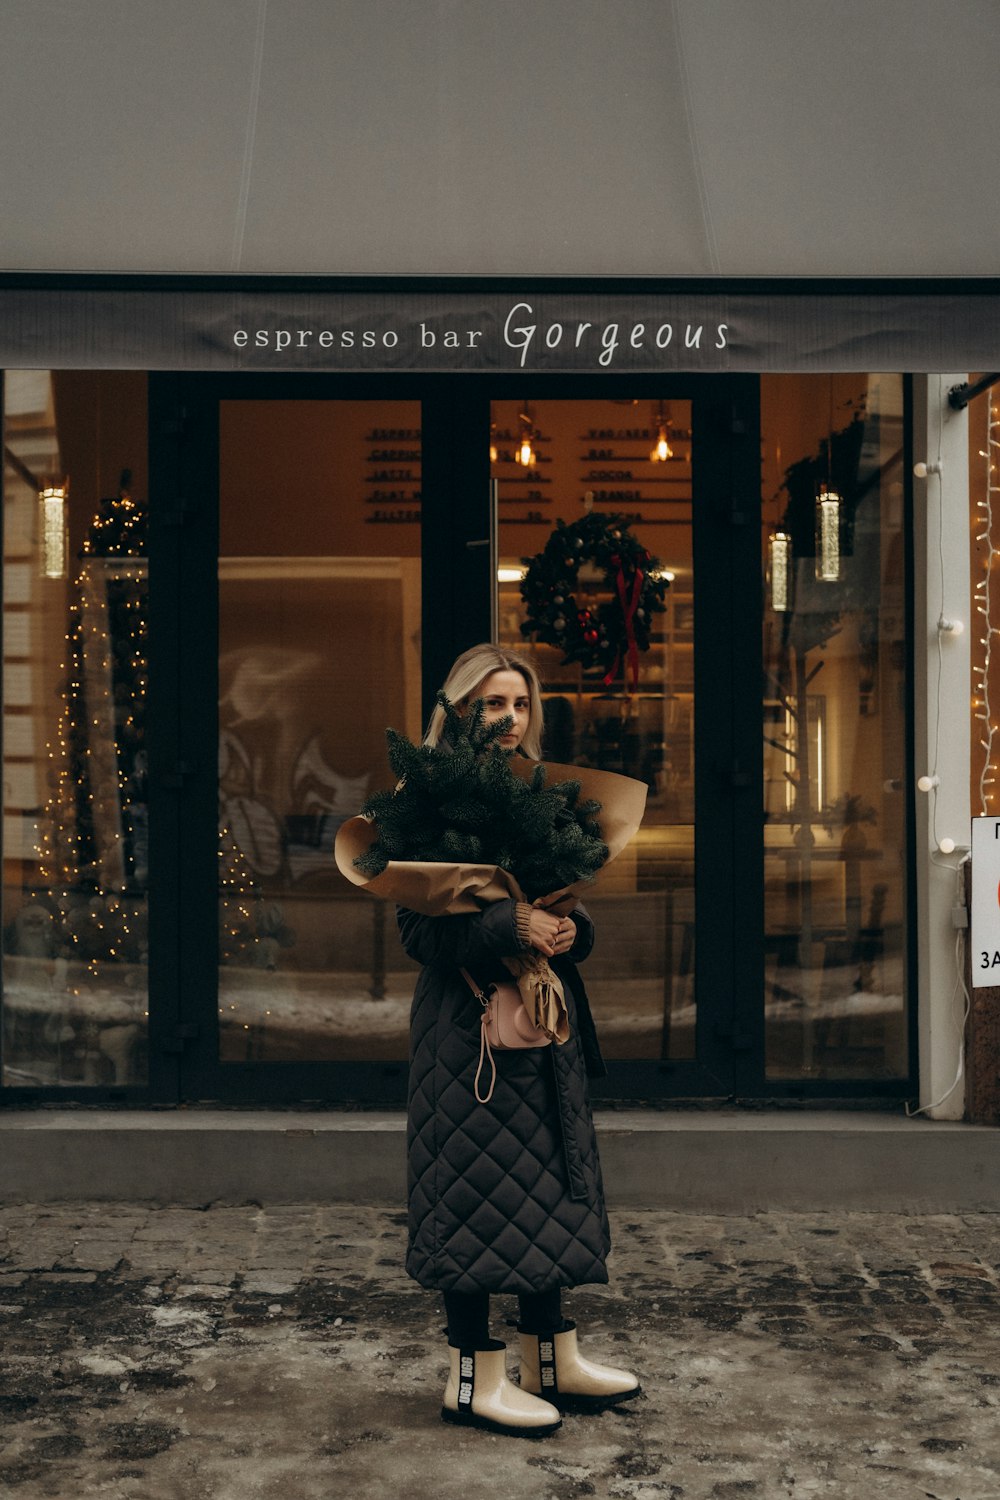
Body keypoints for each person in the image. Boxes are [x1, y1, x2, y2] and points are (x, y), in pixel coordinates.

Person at [398, 642, 640, 1438]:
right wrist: (509, 920)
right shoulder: (428, 800)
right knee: (471, 1193)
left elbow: (559, 904)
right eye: (493, 704)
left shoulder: (543, 795)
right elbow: (418, 929)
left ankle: (551, 1357)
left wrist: (569, 928)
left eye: (521, 704)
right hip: (468, 1038)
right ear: (462, 708)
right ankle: (473, 1376)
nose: (509, 718)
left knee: (549, 1189)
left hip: (542, 1025)